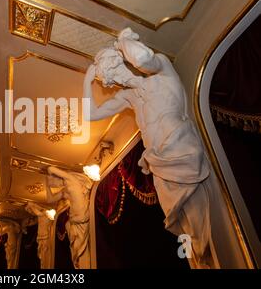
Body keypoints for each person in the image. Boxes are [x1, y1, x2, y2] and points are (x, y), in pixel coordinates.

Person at [83, 27, 211, 266]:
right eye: (108, 78)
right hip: (158, 165)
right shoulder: (129, 98)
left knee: (199, 226)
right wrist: (88, 79)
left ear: (122, 60)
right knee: (181, 224)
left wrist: (123, 40)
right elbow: (91, 113)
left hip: (180, 151)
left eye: (112, 69)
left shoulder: (161, 71)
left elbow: (142, 58)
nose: (114, 79)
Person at [45, 166, 92, 269]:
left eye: (52, 181)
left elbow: (51, 169)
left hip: (81, 220)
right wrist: (46, 184)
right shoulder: (65, 191)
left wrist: (48, 172)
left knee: (81, 253)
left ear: (58, 177)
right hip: (73, 222)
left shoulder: (71, 179)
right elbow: (49, 199)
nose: (53, 185)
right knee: (75, 254)